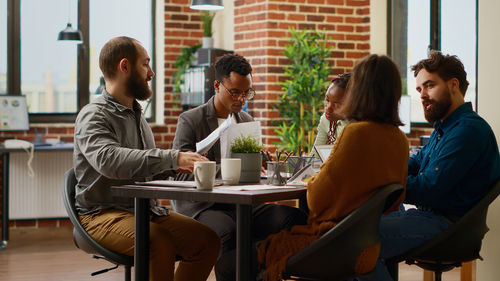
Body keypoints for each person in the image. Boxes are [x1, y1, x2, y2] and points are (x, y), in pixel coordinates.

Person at [74, 36, 220, 281]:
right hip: (101, 214)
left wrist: (184, 165)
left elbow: (143, 169)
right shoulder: (93, 115)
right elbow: (109, 161)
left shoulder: (137, 116)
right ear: (124, 67)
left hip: (145, 210)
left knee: (207, 241)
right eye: (146, 64)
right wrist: (174, 158)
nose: (151, 72)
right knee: (155, 241)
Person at [257, 54, 409, 281]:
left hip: (336, 245)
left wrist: (313, 181)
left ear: (359, 91)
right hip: (369, 244)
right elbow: (395, 201)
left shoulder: (355, 133)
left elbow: (315, 200)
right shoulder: (399, 139)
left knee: (235, 260)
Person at [358, 51, 500, 281]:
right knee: (357, 226)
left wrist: (378, 178)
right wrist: (381, 168)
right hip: (431, 218)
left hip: (449, 227)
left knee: (357, 240)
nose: (422, 95)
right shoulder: (444, 127)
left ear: (453, 85)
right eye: (419, 89)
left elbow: (427, 189)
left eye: (429, 86)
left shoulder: (468, 130)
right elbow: (412, 165)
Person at [172, 53, 308, 281]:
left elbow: (252, 175)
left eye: (247, 93)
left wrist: (260, 167)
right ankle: (233, 273)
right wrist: (225, 171)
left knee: (291, 217)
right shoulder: (191, 120)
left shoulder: (245, 120)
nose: (242, 99)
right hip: (204, 206)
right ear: (217, 85)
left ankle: (257, 269)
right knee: (227, 228)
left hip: (243, 203)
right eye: (235, 92)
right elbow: (179, 177)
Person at [312, 73, 351, 147]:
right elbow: (315, 156)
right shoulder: (326, 120)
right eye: (327, 100)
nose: (328, 108)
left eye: (337, 104)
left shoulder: (358, 125)